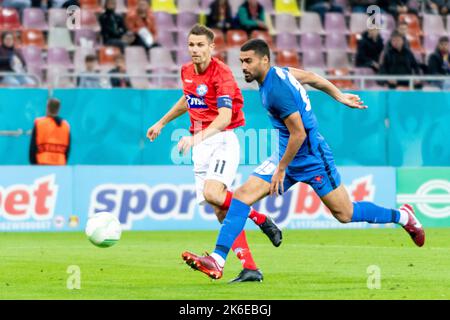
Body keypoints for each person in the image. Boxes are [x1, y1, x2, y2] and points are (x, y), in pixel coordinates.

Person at [181, 38, 425, 280]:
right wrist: (339, 95)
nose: (243, 66)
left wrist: (281, 169)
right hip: (285, 153)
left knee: (345, 214)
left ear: (264, 60)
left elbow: (299, 132)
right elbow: (312, 77)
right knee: (242, 197)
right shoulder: (279, 74)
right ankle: (218, 259)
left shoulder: (276, 90)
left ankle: (403, 217)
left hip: (311, 157)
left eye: (248, 61)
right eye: (241, 61)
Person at [146, 24, 282, 283]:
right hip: (201, 146)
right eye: (191, 45)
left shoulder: (223, 74)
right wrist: (161, 122)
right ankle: (250, 268)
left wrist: (195, 137)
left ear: (211, 47)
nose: (194, 50)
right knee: (220, 211)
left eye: (200, 45)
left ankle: (261, 219)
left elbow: (224, 117)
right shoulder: (186, 71)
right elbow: (188, 99)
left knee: (213, 193)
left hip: (221, 139)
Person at [29, 98, 71, 165]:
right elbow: (67, 150)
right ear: (58, 109)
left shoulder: (39, 123)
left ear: (47, 108)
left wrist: (34, 164)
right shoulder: (65, 125)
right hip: (60, 164)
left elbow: (33, 147)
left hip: (42, 163)